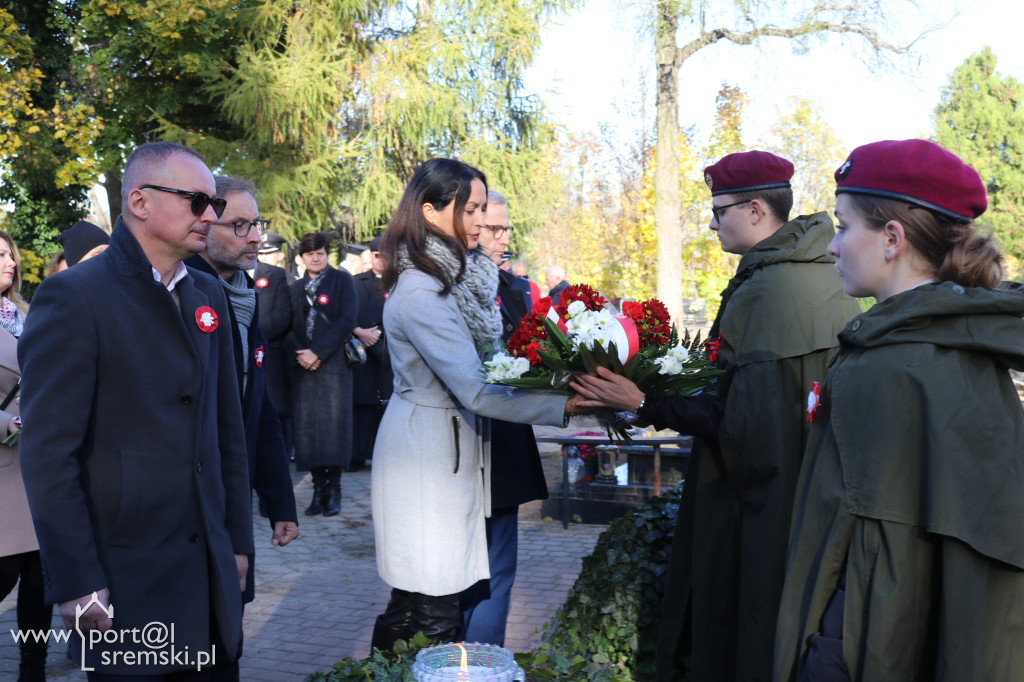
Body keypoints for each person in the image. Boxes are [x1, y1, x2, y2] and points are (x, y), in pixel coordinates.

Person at [572, 150, 860, 681]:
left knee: (743, 629)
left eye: (719, 209)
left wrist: (641, 403)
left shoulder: (771, 290)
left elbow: (742, 423)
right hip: (808, 490)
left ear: (755, 211)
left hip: (760, 504)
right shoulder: (817, 274)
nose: (711, 222)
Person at [775, 139, 1024, 681]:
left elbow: (865, 551)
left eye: (843, 227)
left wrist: (821, 657)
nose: (831, 248)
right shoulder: (959, 343)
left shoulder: (894, 363)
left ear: (892, 238)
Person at [18, 141, 252, 679]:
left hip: (209, 574)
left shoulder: (207, 294)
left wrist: (238, 542)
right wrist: (76, 579)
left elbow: (226, 431)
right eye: (197, 201)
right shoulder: (74, 297)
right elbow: (49, 454)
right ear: (140, 202)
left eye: (213, 202)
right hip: (126, 574)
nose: (211, 216)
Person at [370, 158, 586, 649]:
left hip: (445, 449)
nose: (479, 223)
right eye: (469, 210)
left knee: (421, 603)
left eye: (481, 209)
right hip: (426, 458)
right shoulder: (425, 291)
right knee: (431, 608)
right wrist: (569, 405)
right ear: (430, 211)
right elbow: (476, 389)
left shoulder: (454, 280)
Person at [459, 190, 548, 646]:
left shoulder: (514, 288)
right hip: (459, 447)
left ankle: (484, 664)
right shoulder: (448, 286)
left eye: (507, 228)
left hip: (506, 446)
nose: (502, 238)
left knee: (499, 569)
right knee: (460, 578)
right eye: (494, 228)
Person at [0, 231, 51, 682]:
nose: (9, 263)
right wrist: (8, 424)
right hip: (2, 475)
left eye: (9, 255)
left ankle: (32, 672)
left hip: (40, 471)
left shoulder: (25, 312)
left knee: (41, 586)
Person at [289, 232, 357, 517]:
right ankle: (317, 490)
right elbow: (287, 323)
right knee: (309, 430)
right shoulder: (294, 287)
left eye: (320, 252)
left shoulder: (342, 281)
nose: (315, 258)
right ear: (301, 258)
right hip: (303, 366)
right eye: (309, 254)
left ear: (327, 253)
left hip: (332, 365)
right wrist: (302, 352)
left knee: (333, 427)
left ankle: (334, 488)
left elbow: (346, 320)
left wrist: (318, 352)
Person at [350, 236, 391, 471]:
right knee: (361, 405)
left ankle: (382, 456)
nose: (381, 260)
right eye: (377, 255)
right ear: (370, 256)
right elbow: (345, 312)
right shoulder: (356, 282)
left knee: (384, 405)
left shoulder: (400, 282)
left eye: (386, 255)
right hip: (361, 353)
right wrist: (359, 331)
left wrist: (379, 332)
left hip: (388, 352)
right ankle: (356, 456)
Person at [255, 232, 294, 464]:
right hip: (237, 357)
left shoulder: (277, 276)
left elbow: (282, 316)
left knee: (276, 412)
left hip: (271, 353)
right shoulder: (227, 274)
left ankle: (281, 456)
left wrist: (253, 333)